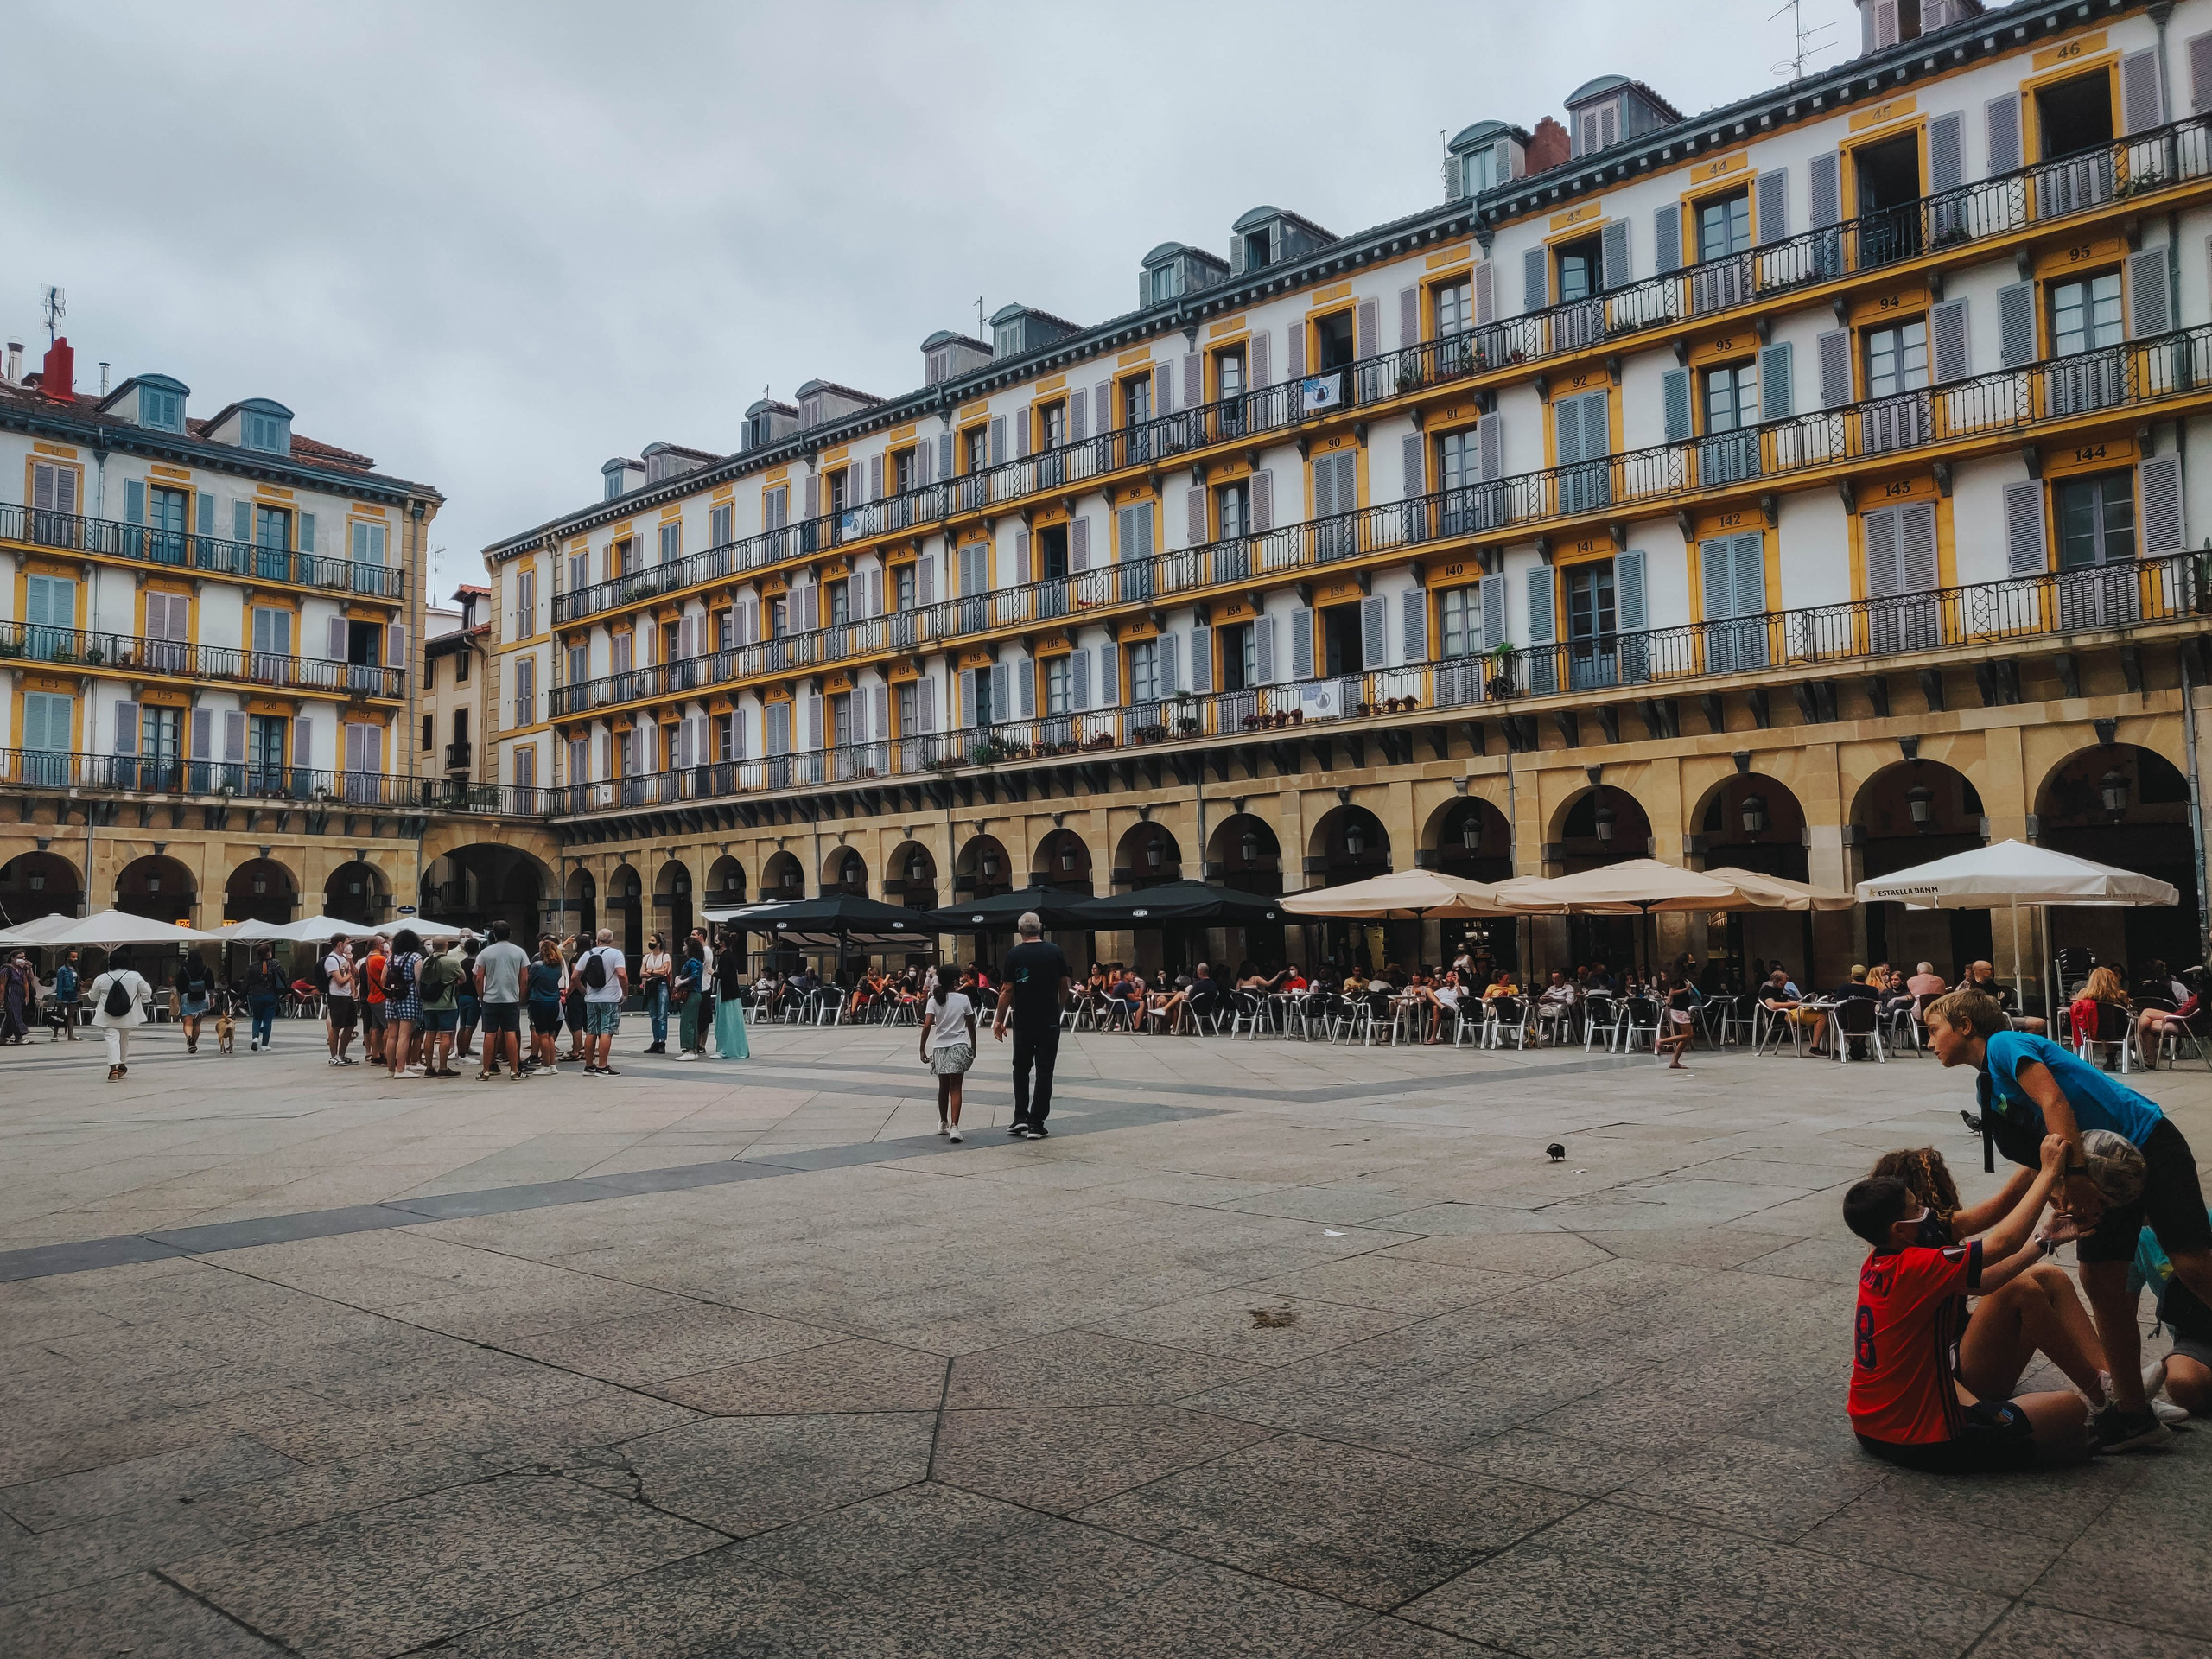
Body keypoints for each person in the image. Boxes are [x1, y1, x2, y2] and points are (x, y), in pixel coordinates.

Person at [1929, 988, 2212, 1450]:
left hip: (2149, 1141)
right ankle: (2131, 1414)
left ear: (1965, 1027)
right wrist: (2062, 1188)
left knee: (2195, 1266)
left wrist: (2075, 1176)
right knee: (2100, 1280)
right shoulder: (1989, 1084)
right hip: (2103, 1169)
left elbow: (2054, 1103)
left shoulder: (2003, 1044)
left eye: (1934, 1029)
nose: (1929, 1041)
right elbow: (2044, 1148)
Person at [1872, 1142, 2181, 1422]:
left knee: (2049, 1277)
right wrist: (2047, 1173)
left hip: (1961, 1355)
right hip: (1949, 1377)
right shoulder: (1916, 1254)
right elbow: (1994, 1261)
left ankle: (2120, 1387)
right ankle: (2105, 1397)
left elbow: (2006, 1201)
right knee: (2019, 1288)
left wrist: (2041, 1149)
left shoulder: (1915, 1238)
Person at [1842, 1133, 2093, 1473]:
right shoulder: (1917, 1265)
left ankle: (2101, 1390)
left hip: (1870, 1427)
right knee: (2071, 1411)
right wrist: (2048, 1172)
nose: (1927, 1211)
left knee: (2057, 1419)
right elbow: (2003, 1243)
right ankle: (2100, 1410)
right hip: (1928, 1439)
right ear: (1900, 1229)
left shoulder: (1878, 1265)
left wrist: (2044, 1242)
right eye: (1917, 1208)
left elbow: (1985, 1281)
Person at [995, 912, 1071, 1138]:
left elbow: (1007, 989)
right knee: (1045, 1071)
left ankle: (1020, 1117)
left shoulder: (1014, 954)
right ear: (1040, 929)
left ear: (1020, 931)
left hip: (1024, 1021)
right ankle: (1036, 1123)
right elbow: (1064, 985)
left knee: (1020, 1069)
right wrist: (1058, 1009)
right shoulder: (1055, 951)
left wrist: (999, 1020)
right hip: (1049, 1021)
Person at [2132, 1204, 2212, 1419]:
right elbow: (2120, 1313)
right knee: (2182, 1382)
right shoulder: (2136, 1239)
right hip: (2196, 1334)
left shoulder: (2205, 1222)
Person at [920, 968, 977, 1142]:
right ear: (954, 981)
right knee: (956, 1087)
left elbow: (927, 1024)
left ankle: (943, 1121)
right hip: (959, 1046)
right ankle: (955, 1127)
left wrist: (922, 1048)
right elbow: (970, 1024)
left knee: (943, 1087)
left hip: (940, 1048)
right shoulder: (963, 999)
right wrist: (974, 1045)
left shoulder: (933, 1000)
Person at [474, 918, 530, 1082]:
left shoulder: (485, 953)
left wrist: (481, 995)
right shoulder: (519, 952)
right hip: (511, 998)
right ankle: (514, 1070)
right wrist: (520, 995)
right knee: (510, 1032)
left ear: (493, 935)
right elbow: (525, 977)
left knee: (489, 1034)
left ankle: (485, 1071)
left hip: (490, 998)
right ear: (510, 934)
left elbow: (478, 977)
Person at [87, 951, 155, 1080]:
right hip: (128, 1015)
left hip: (106, 1016)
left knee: (111, 1039)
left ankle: (113, 1069)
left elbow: (93, 996)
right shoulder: (134, 976)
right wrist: (144, 999)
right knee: (124, 1039)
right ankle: (122, 1065)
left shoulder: (102, 978)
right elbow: (147, 991)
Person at [579, 927, 628, 1077]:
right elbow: (622, 975)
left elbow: (575, 976)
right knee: (607, 1031)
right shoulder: (616, 954)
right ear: (611, 940)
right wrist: (625, 993)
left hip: (592, 999)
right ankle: (602, 1066)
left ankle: (589, 1066)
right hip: (610, 999)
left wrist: (584, 991)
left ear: (597, 940)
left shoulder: (587, 954)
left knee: (591, 1031)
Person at [379, 929, 425, 1079]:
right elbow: (418, 979)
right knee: (404, 1036)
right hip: (409, 997)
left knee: (392, 1035)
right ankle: (401, 1069)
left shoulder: (390, 959)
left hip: (391, 998)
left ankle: (390, 1069)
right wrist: (419, 996)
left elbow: (383, 979)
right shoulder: (415, 957)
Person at [416, 937, 464, 1077]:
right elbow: (464, 978)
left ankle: (429, 1067)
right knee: (445, 1034)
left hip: (428, 1004)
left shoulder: (427, 961)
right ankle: (443, 1067)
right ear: (447, 945)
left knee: (430, 1034)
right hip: (446, 1003)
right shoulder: (451, 961)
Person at [2134, 971, 2202, 1071]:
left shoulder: (2200, 997)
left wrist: (2170, 1016)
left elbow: (2185, 1013)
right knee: (2148, 1021)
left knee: (2147, 1013)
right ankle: (2148, 1056)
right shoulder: (2199, 996)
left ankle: (2134, 1038)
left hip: (2184, 1021)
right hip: (2181, 1018)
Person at [1958, 960, 2046, 1034]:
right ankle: (2016, 1042)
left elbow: (2001, 999)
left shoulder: (1994, 986)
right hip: (1992, 1021)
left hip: (2003, 1016)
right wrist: (1999, 1002)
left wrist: (2000, 1001)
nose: (1992, 972)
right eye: (1989, 970)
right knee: (2038, 1024)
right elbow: (1984, 1007)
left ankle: (2016, 1041)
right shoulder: (1971, 990)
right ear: (1979, 971)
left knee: (2041, 1023)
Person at [2069, 964, 2129, 1067]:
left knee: (2095, 1024)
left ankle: (2085, 1059)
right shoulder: (2121, 996)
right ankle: (2111, 1059)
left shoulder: (2084, 995)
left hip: (2092, 1030)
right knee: (2108, 1025)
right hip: (2119, 1031)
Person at [525, 935, 568, 1075]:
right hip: (554, 1002)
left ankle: (545, 1065)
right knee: (550, 1034)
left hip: (539, 1001)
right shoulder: (558, 966)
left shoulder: (537, 966)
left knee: (542, 1034)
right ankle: (552, 1064)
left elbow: (529, 983)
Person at [714, 925, 751, 1059]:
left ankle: (726, 1050)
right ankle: (732, 1048)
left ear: (722, 942)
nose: (715, 942)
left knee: (727, 1022)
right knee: (733, 1022)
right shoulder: (730, 956)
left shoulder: (725, 957)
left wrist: (713, 973)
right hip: (731, 993)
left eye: (717, 940)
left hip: (727, 994)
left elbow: (725, 975)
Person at [322, 934, 359, 1065]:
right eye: (347, 943)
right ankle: (333, 1056)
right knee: (336, 1026)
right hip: (336, 996)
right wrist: (349, 974)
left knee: (350, 1025)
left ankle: (342, 1054)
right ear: (340, 944)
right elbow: (340, 981)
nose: (349, 945)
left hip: (347, 995)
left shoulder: (344, 957)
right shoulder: (331, 960)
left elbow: (355, 974)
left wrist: (350, 961)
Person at [244, 944, 284, 1052]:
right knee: (267, 1020)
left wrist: (241, 995)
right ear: (269, 953)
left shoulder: (252, 966)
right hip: (271, 994)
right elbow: (282, 978)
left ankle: (255, 1038)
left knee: (256, 1018)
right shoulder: (276, 964)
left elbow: (246, 983)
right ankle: (265, 1044)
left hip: (256, 995)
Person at [175, 950, 216, 1055]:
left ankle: (189, 1038)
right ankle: (194, 1043)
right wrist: (211, 997)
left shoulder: (183, 970)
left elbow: (178, 984)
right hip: (201, 997)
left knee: (187, 1022)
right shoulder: (207, 969)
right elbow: (211, 985)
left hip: (186, 996)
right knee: (197, 1023)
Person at [639, 934, 672, 1055]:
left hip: (661, 985)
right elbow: (642, 974)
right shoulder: (647, 957)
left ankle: (662, 1041)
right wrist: (655, 972)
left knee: (662, 1015)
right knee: (653, 1015)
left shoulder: (665, 956)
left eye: (652, 940)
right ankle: (656, 1040)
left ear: (658, 943)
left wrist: (650, 971)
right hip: (651, 986)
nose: (650, 942)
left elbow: (665, 972)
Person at [671, 938, 704, 1059]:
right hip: (695, 994)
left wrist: (681, 982)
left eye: (685, 945)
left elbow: (694, 975)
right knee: (692, 1021)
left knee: (687, 1021)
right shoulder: (696, 961)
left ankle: (689, 1049)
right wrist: (681, 977)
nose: (683, 947)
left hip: (691, 993)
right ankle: (693, 1049)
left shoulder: (693, 962)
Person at [1656, 970, 1694, 1069]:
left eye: (1664, 976)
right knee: (1689, 1035)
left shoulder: (1675, 982)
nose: (1663, 979)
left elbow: (1669, 1000)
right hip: (1679, 1011)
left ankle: (1674, 1061)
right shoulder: (1677, 983)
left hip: (1680, 1010)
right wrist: (1686, 989)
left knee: (1686, 1037)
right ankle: (1662, 1041)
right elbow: (1672, 993)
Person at [360, 937, 390, 1065]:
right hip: (381, 997)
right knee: (388, 1027)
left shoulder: (368, 959)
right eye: (383, 942)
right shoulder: (380, 959)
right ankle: (386, 1054)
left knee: (375, 1027)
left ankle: (375, 1055)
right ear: (378, 945)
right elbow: (387, 975)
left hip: (372, 996)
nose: (386, 944)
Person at [454, 938, 483, 1062]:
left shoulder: (462, 963)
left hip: (462, 996)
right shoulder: (478, 964)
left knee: (463, 1025)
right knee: (470, 1026)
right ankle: (463, 1054)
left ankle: (461, 1050)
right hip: (473, 997)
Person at [562, 936, 590, 1060]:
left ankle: (576, 1049)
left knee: (575, 1023)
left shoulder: (576, 958)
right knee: (588, 1024)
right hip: (590, 994)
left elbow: (575, 978)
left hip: (578, 995)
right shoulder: (592, 956)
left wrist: (568, 993)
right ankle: (589, 1049)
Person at [49, 948, 80, 1041]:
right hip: (64, 993)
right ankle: (55, 1035)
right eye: (73, 957)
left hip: (73, 993)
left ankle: (71, 1035)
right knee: (59, 1014)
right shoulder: (62, 970)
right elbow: (60, 985)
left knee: (71, 1015)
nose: (75, 959)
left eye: (76, 957)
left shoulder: (75, 969)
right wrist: (59, 997)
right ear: (67, 958)